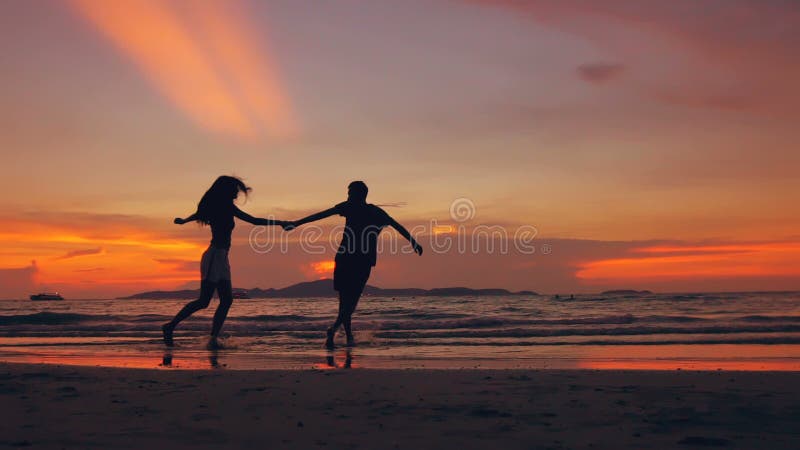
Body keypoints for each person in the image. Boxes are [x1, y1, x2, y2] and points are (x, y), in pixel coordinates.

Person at [288, 181, 423, 348]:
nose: (348, 196)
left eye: (350, 193)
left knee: (347, 302)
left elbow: (322, 214)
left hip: (352, 258)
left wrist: (296, 223)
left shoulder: (357, 208)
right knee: (348, 302)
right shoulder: (372, 211)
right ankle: (340, 332)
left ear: (359, 194)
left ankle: (343, 334)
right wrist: (413, 242)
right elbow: (396, 225)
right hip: (356, 259)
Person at [162, 175, 289, 349]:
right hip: (215, 256)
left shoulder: (218, 206)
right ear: (227, 190)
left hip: (221, 257)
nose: (237, 193)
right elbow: (254, 221)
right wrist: (281, 223)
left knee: (227, 300)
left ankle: (213, 339)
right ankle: (170, 326)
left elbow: (198, 214)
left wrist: (184, 220)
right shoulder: (225, 206)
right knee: (204, 301)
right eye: (235, 189)